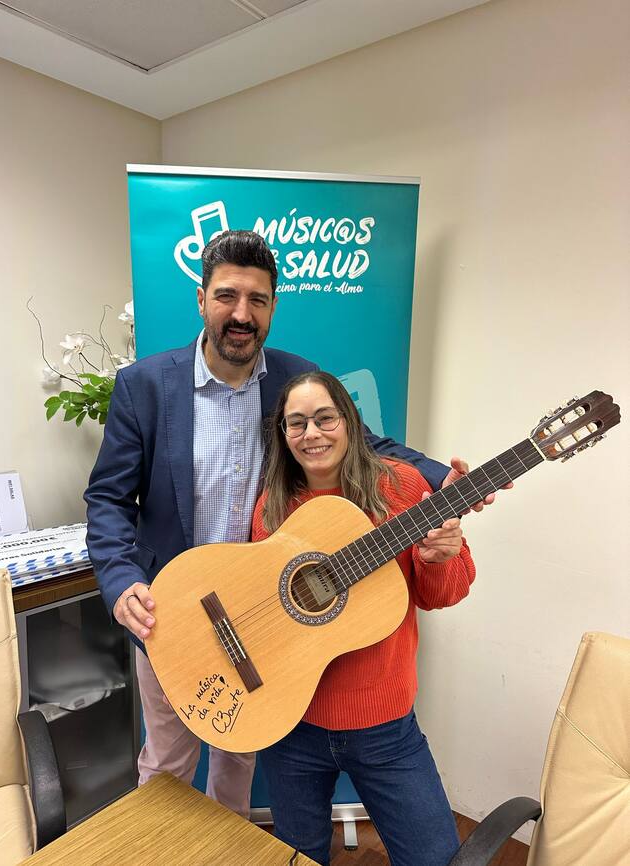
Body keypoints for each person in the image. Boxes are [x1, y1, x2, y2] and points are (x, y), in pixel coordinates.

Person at [84, 229, 463, 819]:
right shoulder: (145, 386)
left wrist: (445, 478)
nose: (242, 314)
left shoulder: (295, 376)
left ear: (273, 306)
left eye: (257, 300)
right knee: (166, 766)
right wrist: (117, 579)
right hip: (173, 612)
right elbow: (108, 499)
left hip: (267, 621)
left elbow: (363, 441)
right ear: (202, 299)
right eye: (228, 296)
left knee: (239, 761)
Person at [252, 370, 476, 866]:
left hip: (384, 724)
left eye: (324, 417)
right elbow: (260, 597)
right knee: (298, 855)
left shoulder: (404, 487)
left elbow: (442, 595)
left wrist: (440, 557)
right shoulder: (273, 505)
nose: (312, 434)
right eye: (296, 423)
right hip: (292, 721)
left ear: (349, 421)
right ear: (284, 436)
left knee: (434, 857)